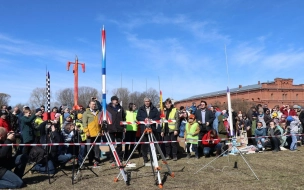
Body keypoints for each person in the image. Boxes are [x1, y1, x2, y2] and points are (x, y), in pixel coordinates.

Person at [136, 97, 160, 165]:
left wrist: (151, 120)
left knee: (152, 144)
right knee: (144, 145)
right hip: (143, 129)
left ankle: (153, 158)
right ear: (144, 102)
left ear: (150, 101)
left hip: (152, 129)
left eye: (148, 101)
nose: (147, 102)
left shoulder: (154, 109)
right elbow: (138, 117)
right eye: (146, 101)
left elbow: (158, 117)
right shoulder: (140, 109)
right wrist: (145, 119)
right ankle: (145, 159)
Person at [106, 96, 126, 162]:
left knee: (119, 143)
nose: (116, 101)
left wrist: (124, 127)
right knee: (111, 143)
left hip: (119, 128)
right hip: (110, 128)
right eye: (115, 100)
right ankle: (111, 157)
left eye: (117, 100)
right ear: (112, 101)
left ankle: (119, 156)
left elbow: (124, 118)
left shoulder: (121, 108)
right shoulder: (107, 108)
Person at [82, 100, 102, 166]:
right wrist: (86, 131)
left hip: (97, 133)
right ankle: (90, 160)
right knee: (89, 148)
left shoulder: (98, 112)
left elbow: (100, 122)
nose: (94, 105)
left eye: (94, 104)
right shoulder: (86, 113)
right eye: (92, 104)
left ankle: (97, 160)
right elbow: (84, 123)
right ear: (89, 105)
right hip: (90, 133)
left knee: (97, 148)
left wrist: (101, 130)